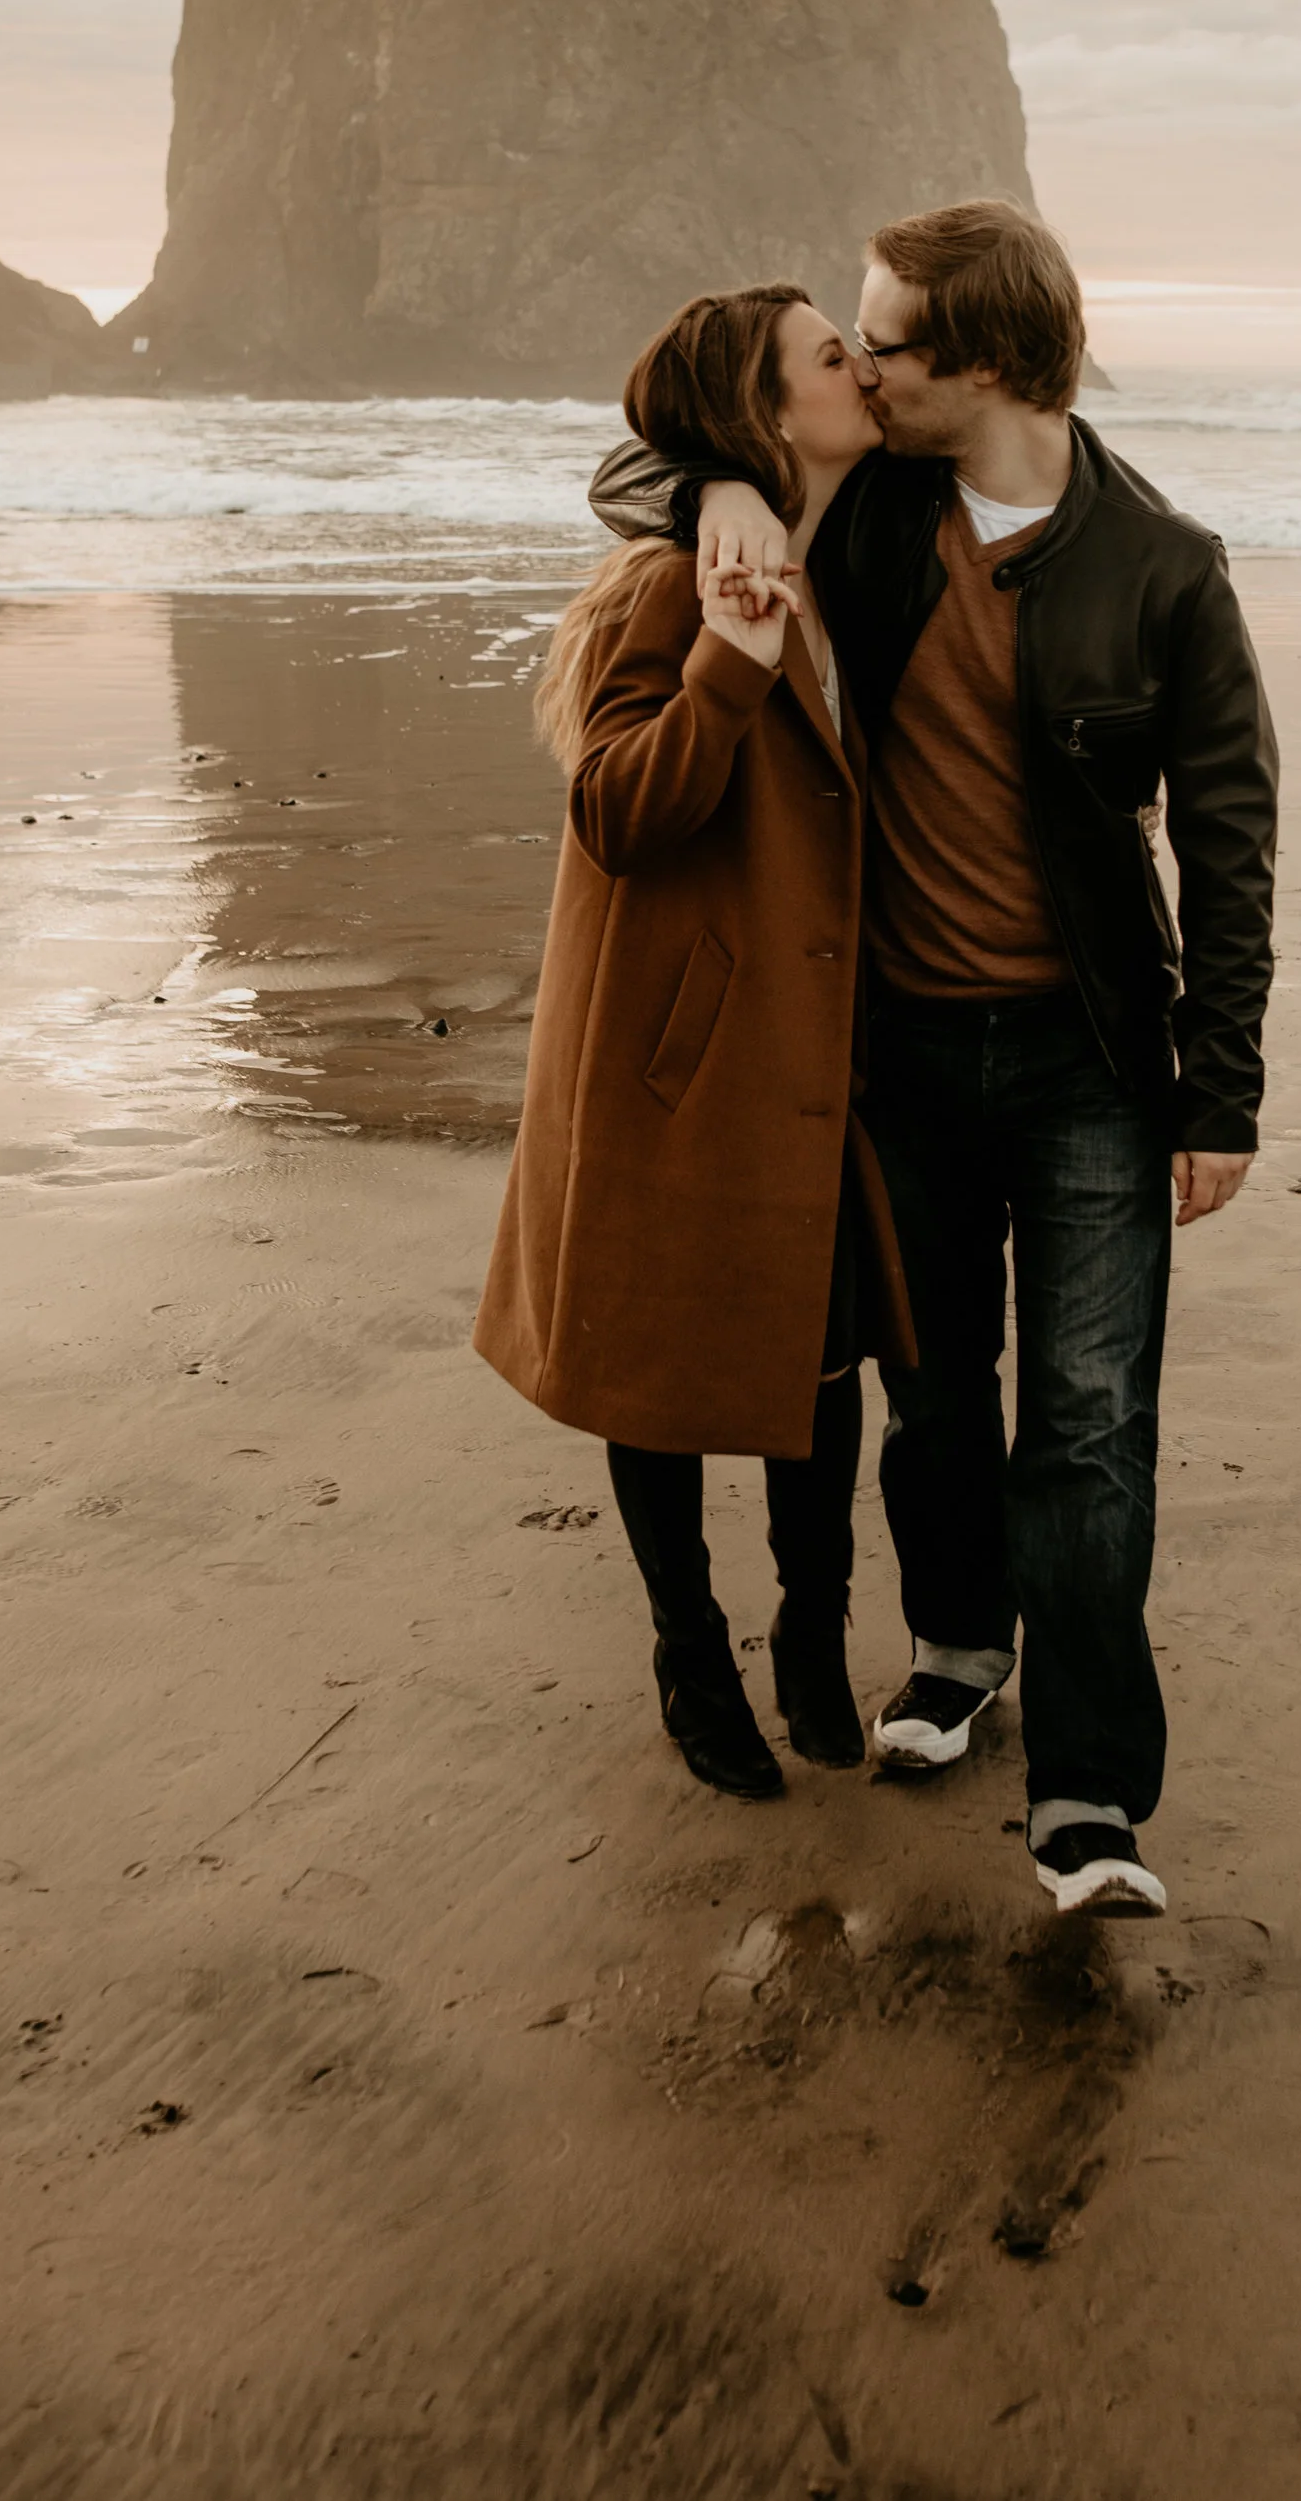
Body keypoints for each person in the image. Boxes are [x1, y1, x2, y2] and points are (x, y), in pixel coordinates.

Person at [590, 199, 1278, 1917]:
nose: (865, 361)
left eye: (886, 338)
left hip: (1090, 1061)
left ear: (981, 361)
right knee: (936, 1397)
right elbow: (639, 472)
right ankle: (961, 1645)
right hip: (890, 1044)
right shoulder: (870, 515)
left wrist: (1224, 1088)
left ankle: (1093, 1796)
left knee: (1094, 1425)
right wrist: (727, 490)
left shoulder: (1164, 565)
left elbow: (1231, 835)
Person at [474, 284, 915, 1800]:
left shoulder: (841, 543)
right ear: (762, 410)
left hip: (817, 1037)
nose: (859, 366)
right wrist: (726, 663)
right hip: (694, 1053)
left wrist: (723, 485)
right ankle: (685, 1641)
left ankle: (812, 1622)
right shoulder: (681, 586)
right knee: (654, 1358)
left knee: (821, 1348)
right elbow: (616, 808)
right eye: (826, 356)